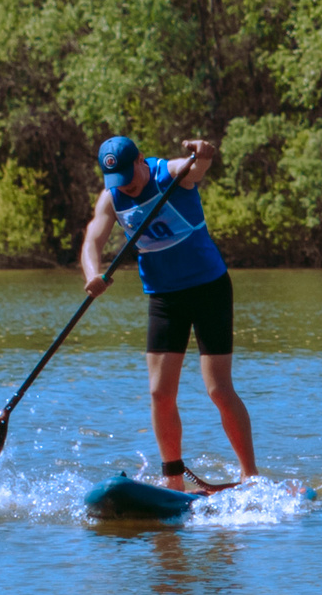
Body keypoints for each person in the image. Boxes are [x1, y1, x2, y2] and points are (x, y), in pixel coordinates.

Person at [80, 133, 257, 494]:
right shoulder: (111, 198)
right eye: (117, 181)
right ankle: (173, 479)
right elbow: (92, 240)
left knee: (219, 390)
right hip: (164, 298)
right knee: (160, 393)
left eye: (129, 176)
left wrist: (204, 154)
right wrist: (92, 275)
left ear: (141, 160)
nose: (125, 186)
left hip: (209, 288)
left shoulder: (171, 174)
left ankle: (250, 476)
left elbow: (197, 168)